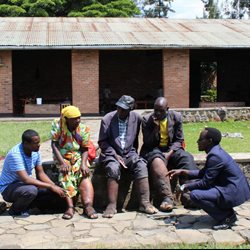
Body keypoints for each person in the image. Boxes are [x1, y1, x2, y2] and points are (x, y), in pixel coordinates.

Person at [167, 127, 250, 230]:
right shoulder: (216, 152)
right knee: (201, 190)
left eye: (200, 139)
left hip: (233, 191)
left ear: (209, 141)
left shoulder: (215, 156)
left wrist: (184, 186)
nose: (197, 141)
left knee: (195, 195)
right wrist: (183, 171)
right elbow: (204, 173)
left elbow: (205, 183)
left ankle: (227, 217)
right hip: (231, 188)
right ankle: (225, 212)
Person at [98, 95, 158, 218]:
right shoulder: (107, 119)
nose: (120, 111)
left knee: (141, 165)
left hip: (130, 153)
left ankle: (145, 203)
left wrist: (155, 122)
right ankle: (112, 205)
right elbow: (102, 142)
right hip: (112, 153)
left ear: (131, 109)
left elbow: (147, 127)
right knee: (113, 168)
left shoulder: (136, 118)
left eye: (124, 109)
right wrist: (115, 155)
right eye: (119, 108)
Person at [140, 97, 198, 211]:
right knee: (157, 161)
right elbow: (148, 143)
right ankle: (167, 198)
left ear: (167, 109)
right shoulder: (147, 120)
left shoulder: (176, 117)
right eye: (155, 110)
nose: (157, 113)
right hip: (153, 150)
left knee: (187, 158)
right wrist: (156, 127)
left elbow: (179, 140)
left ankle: (189, 195)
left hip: (171, 149)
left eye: (161, 110)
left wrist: (169, 153)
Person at [0, 129, 66, 217]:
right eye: (36, 143)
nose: (39, 145)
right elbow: (26, 179)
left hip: (24, 185)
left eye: (39, 142)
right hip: (8, 188)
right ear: (26, 144)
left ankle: (29, 206)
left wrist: (54, 186)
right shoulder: (15, 155)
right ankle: (15, 210)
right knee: (31, 190)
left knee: (53, 190)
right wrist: (50, 186)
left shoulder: (35, 151)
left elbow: (41, 173)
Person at [50, 105, 98, 220]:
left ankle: (88, 206)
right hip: (62, 155)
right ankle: (70, 207)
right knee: (65, 174)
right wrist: (62, 162)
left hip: (78, 155)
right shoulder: (58, 125)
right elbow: (54, 144)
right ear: (66, 119)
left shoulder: (83, 129)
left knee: (84, 174)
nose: (78, 120)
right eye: (74, 118)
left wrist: (83, 164)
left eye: (79, 118)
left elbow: (85, 148)